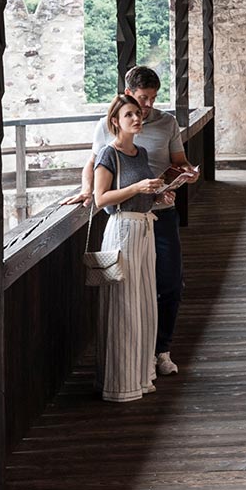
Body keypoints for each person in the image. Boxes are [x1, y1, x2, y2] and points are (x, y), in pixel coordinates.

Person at [63, 66, 200, 377]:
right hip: (125, 220)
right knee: (130, 291)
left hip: (160, 215)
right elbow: (96, 164)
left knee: (169, 283)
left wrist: (187, 174)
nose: (147, 106)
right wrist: (86, 190)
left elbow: (177, 162)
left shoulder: (165, 124)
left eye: (152, 98)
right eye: (142, 99)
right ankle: (131, 359)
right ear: (127, 95)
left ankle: (161, 350)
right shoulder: (107, 128)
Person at [92, 94, 165, 402]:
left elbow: (141, 193)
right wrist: (137, 188)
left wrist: (161, 196)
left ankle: (141, 377)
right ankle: (121, 385)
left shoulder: (141, 151)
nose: (137, 118)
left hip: (145, 228)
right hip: (122, 231)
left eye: (138, 114)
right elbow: (100, 199)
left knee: (145, 303)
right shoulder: (110, 154)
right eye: (129, 115)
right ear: (115, 122)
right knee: (124, 306)